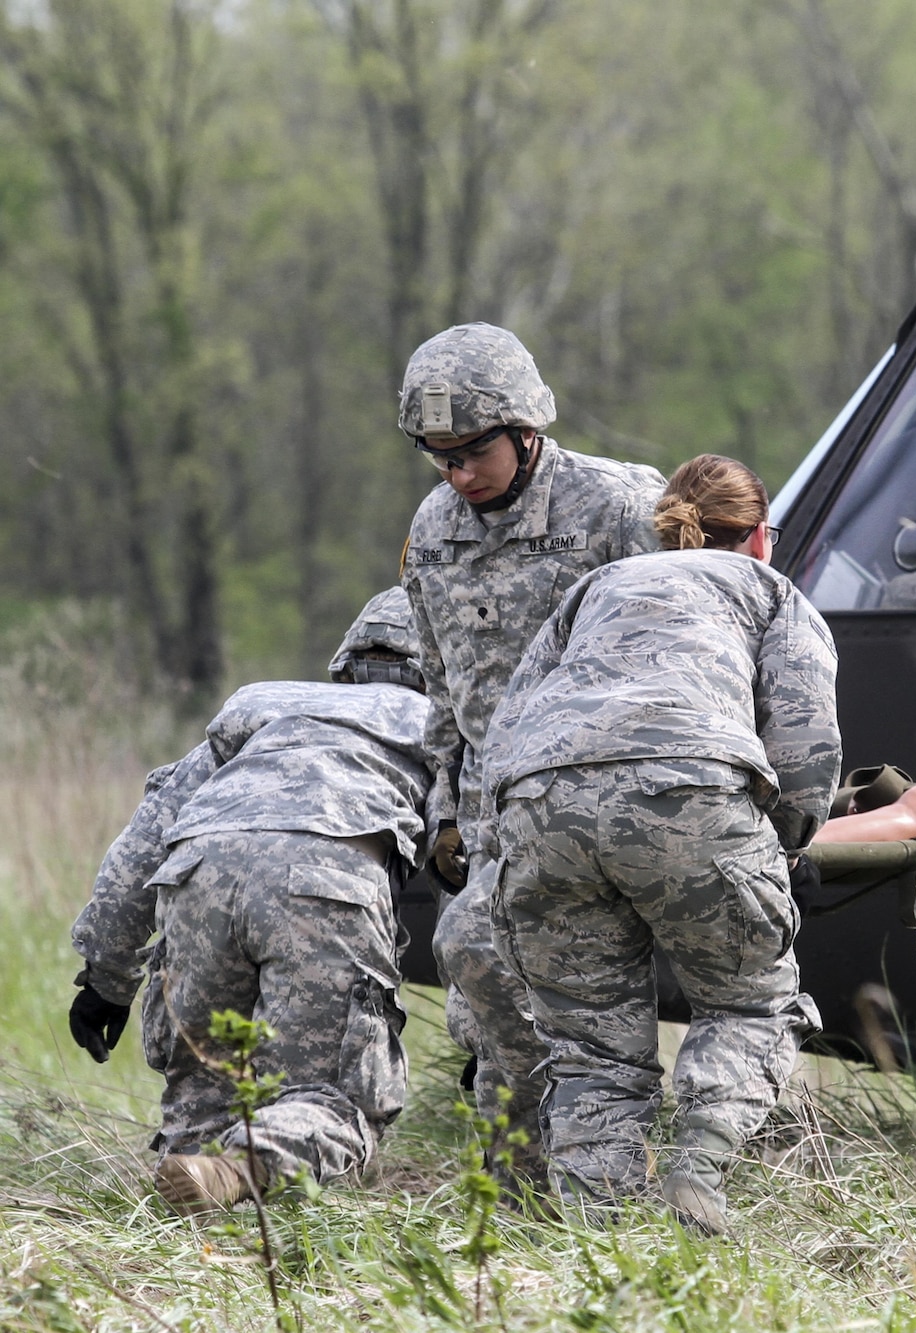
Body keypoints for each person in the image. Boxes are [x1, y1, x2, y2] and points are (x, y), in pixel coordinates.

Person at [482, 453, 839, 1230]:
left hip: (540, 811)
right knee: (749, 1000)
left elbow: (507, 729)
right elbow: (809, 752)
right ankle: (698, 1172)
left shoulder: (594, 590)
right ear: (758, 537)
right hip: (691, 797)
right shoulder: (771, 593)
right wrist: (782, 845)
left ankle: (596, 1230)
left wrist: (498, 845)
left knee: (588, 1044)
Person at [396, 322, 665, 1183]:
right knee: (486, 1013)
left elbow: (694, 653)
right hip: (492, 815)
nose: (457, 474)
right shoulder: (433, 529)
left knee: (590, 1016)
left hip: (605, 805)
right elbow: (441, 691)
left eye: (472, 451)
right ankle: (517, 1221)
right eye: (437, 456)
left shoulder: (623, 508)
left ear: (525, 429)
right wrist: (443, 812)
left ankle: (619, 1196)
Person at [67, 589, 430, 1212]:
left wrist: (107, 975)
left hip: (197, 870)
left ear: (344, 661)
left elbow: (145, 838)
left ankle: (194, 1230)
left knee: (203, 1093)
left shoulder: (262, 704)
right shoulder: (442, 723)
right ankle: (237, 1172)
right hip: (324, 876)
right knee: (333, 1097)